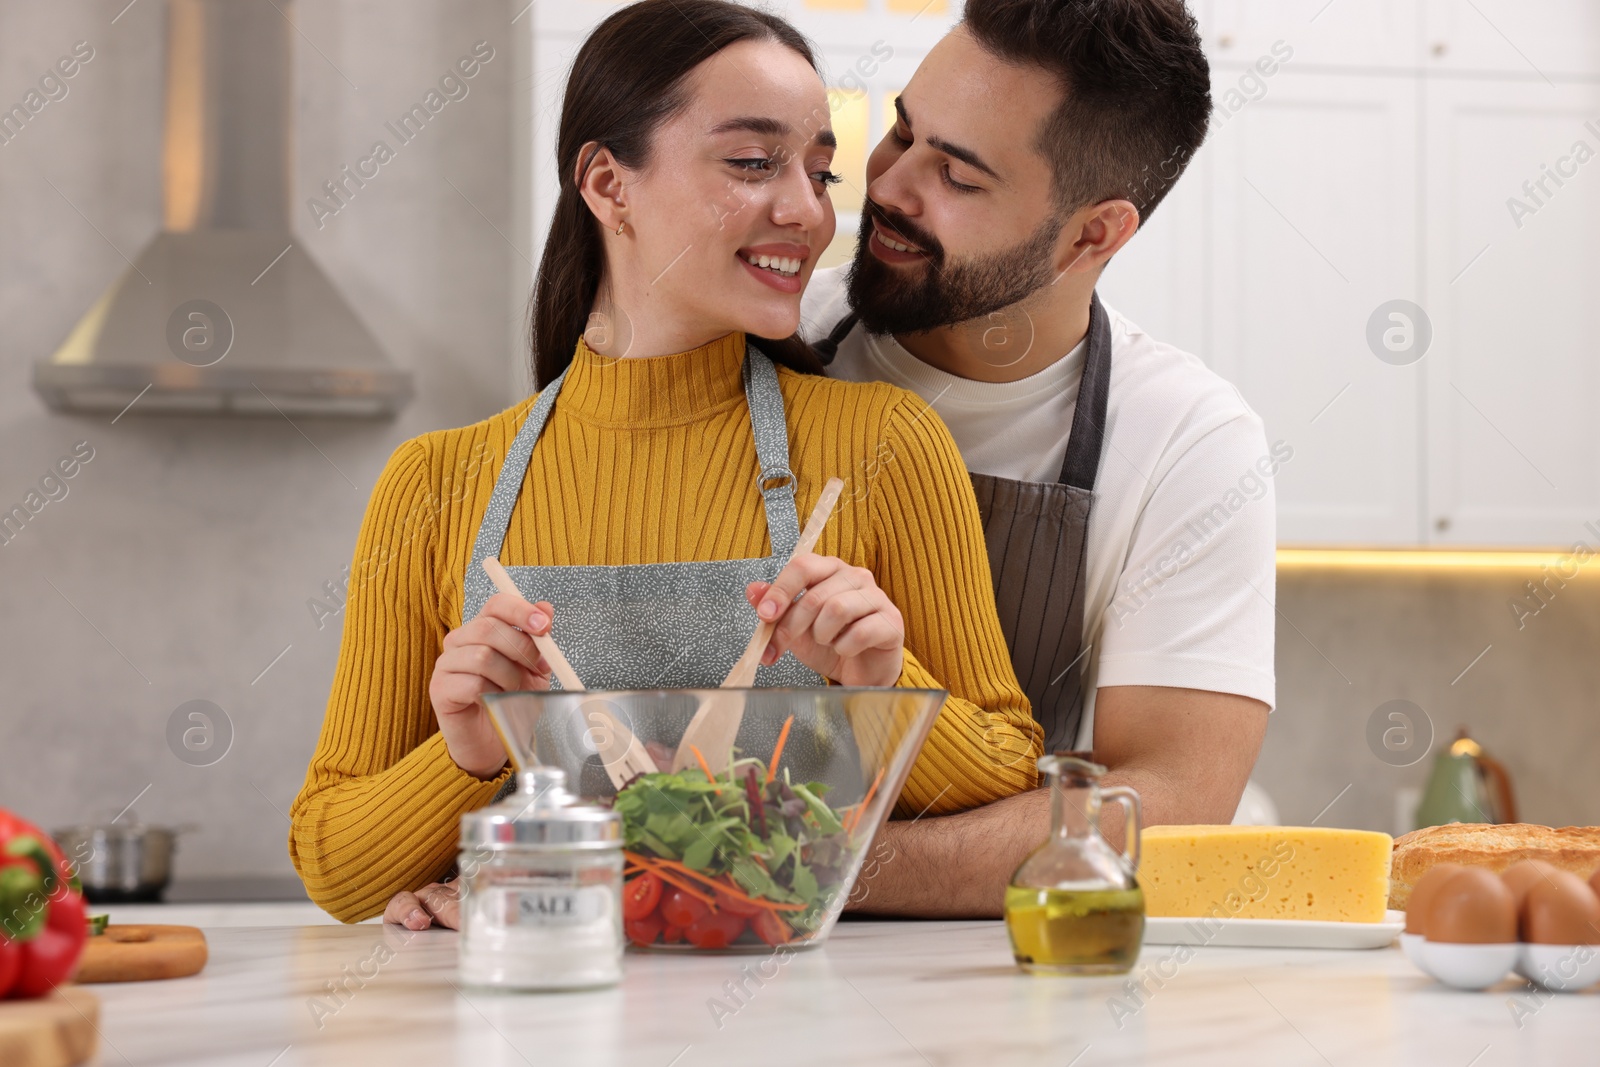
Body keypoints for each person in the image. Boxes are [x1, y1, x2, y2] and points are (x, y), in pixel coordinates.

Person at [289, 0, 1040, 928]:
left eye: (819, 171)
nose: (807, 212)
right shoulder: (436, 484)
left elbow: (1009, 766)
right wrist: (469, 754)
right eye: (753, 163)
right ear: (608, 183)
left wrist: (881, 692)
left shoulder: (883, 444)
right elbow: (334, 868)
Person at [801, 0, 1276, 917]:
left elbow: (1171, 806)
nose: (891, 185)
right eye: (903, 130)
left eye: (959, 177)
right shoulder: (767, 334)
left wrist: (801, 867)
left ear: (1092, 235)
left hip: (1003, 990)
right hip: (695, 949)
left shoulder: (1188, 441)